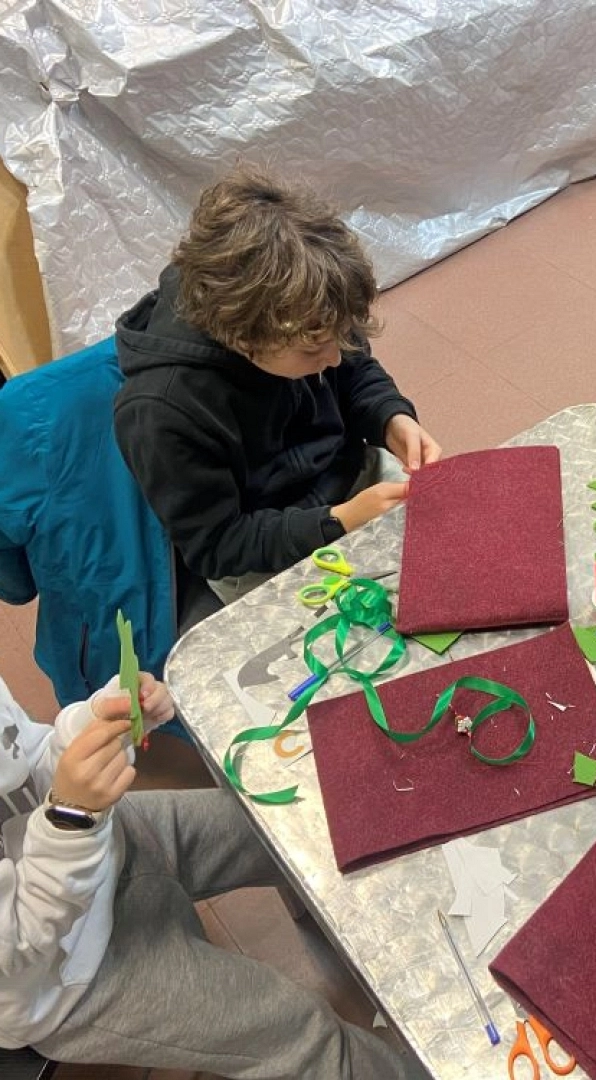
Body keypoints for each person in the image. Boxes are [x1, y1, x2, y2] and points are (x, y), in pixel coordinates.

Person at [0, 672, 409, 1077]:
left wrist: (100, 723)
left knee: (288, 823)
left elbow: (28, 752)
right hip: (73, 978)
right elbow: (18, 941)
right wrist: (71, 817)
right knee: (305, 1039)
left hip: (103, 838)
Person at [114, 164, 441, 606]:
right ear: (243, 339)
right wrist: (338, 522)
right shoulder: (162, 413)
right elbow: (218, 546)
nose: (332, 358)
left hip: (349, 487)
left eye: (339, 338)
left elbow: (354, 371)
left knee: (457, 560)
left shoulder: (306, 316)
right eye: (313, 352)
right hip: (261, 548)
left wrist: (390, 417)